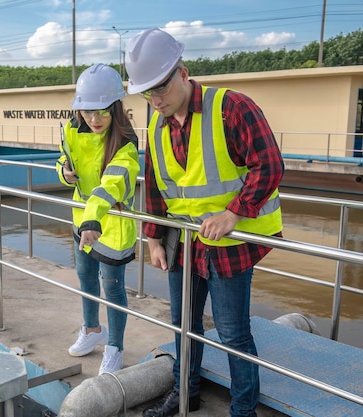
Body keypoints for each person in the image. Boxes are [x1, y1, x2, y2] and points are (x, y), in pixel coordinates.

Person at [124, 29, 284, 417]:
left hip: (229, 246)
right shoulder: (158, 128)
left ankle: (243, 411)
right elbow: (157, 189)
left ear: (183, 73)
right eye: (148, 92)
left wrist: (234, 212)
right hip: (183, 244)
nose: (156, 100)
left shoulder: (230, 107)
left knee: (233, 336)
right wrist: (152, 238)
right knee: (183, 326)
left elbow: (270, 165)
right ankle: (185, 395)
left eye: (161, 88)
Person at [56, 63, 140, 375]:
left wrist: (93, 219)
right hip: (82, 220)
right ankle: (92, 330)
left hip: (111, 226)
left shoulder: (125, 143)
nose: (94, 119)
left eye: (102, 111)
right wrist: (64, 173)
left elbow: (112, 185)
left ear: (116, 108)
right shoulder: (72, 131)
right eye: (88, 111)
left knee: (113, 287)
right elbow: (64, 160)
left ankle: (115, 347)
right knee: (85, 277)